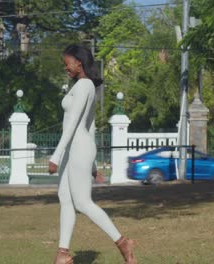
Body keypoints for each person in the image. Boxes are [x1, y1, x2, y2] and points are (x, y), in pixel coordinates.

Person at [48, 44, 137, 264]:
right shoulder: (80, 86)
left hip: (77, 148)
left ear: (79, 62)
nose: (66, 68)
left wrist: (55, 156)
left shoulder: (85, 85)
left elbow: (75, 125)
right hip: (76, 148)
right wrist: (95, 165)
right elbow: (91, 126)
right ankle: (63, 253)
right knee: (65, 200)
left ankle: (122, 242)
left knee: (82, 202)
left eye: (67, 63)